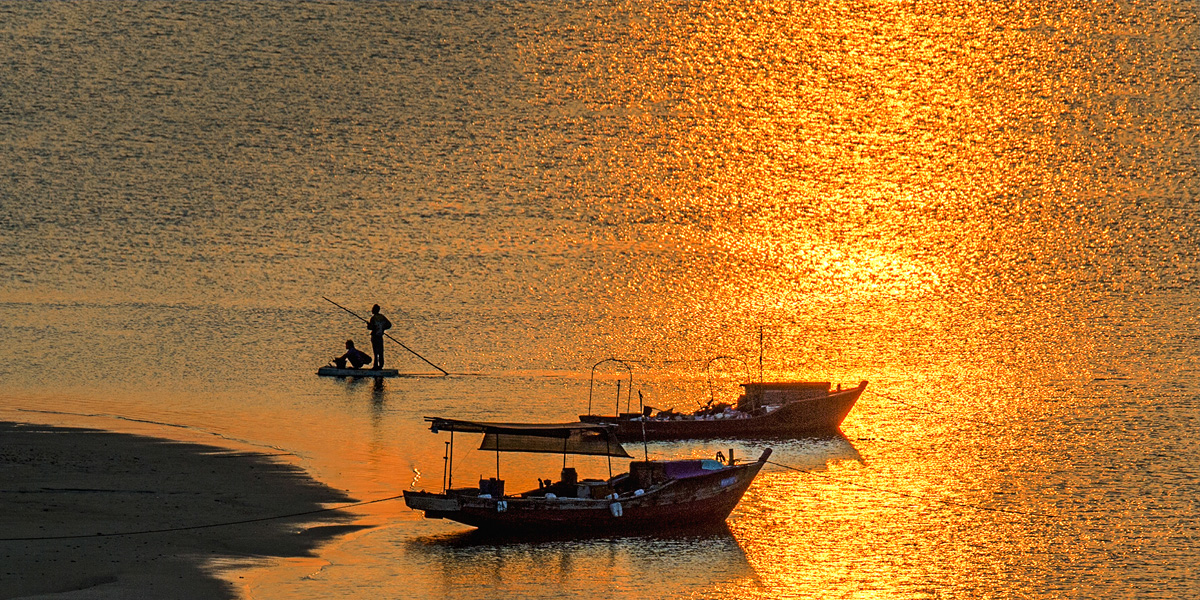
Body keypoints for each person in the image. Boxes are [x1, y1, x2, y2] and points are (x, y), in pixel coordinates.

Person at [367, 304, 392, 370]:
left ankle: (375, 366)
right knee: (380, 351)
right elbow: (389, 325)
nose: (371, 310)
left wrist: (368, 325)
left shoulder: (373, 318)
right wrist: (383, 329)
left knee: (375, 352)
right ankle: (381, 365)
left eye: (372, 309)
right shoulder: (382, 317)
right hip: (380, 336)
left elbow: (371, 328)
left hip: (375, 337)